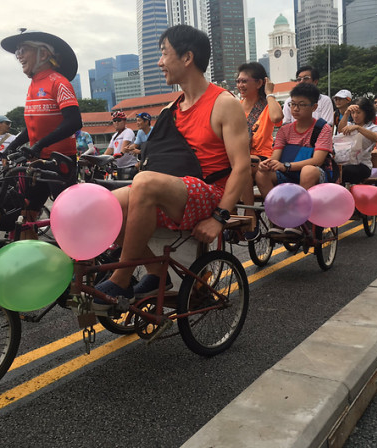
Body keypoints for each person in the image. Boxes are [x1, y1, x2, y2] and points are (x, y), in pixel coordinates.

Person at [92, 24, 250, 304]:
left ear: (187, 58)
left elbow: (242, 167)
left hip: (209, 193)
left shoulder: (224, 103)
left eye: (164, 54)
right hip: (172, 191)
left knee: (144, 182)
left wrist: (219, 217)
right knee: (102, 205)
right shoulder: (169, 110)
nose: (159, 62)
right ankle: (155, 273)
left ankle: (121, 279)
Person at [0, 29, 82, 239]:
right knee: (26, 219)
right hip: (36, 163)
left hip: (60, 162)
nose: (18, 56)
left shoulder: (59, 82)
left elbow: (74, 121)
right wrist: (9, 149)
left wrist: (39, 145)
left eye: (23, 50)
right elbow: (32, 127)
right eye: (17, 51)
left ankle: (83, 267)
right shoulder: (33, 85)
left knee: (70, 219)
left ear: (43, 54)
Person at [256, 83, 333, 236]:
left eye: (302, 105)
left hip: (316, 174)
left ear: (314, 106)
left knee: (308, 171)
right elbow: (275, 157)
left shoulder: (323, 128)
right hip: (288, 172)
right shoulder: (285, 130)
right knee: (261, 174)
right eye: (293, 104)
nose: (296, 109)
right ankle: (277, 218)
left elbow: (317, 160)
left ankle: (298, 221)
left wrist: (286, 166)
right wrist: (266, 164)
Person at [235, 61, 283, 232]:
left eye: (245, 81)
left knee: (243, 165)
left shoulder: (267, 105)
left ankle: (249, 214)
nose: (240, 85)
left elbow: (277, 118)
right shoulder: (236, 107)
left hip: (263, 158)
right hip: (241, 158)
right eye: (239, 81)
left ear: (259, 83)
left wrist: (269, 93)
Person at [336, 97, 377, 185]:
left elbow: (376, 137)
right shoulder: (349, 125)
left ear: (366, 113)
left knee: (347, 171)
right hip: (344, 162)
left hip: (362, 165)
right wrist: (346, 113)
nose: (355, 116)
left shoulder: (373, 127)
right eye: (353, 112)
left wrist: (358, 128)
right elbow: (340, 130)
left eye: (358, 112)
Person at [104, 111, 138, 179]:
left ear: (125, 122)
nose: (116, 122)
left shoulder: (128, 132)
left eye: (119, 120)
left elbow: (125, 145)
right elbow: (109, 150)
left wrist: (121, 153)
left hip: (129, 166)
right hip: (119, 167)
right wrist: (99, 159)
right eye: (114, 120)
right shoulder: (114, 136)